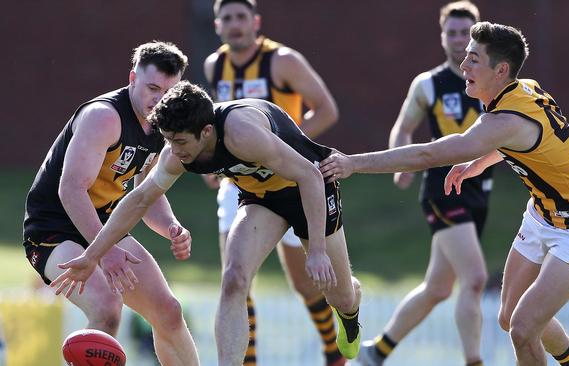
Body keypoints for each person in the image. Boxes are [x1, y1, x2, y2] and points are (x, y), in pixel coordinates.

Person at [320, 21, 569, 366]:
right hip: (542, 214)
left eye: (474, 59)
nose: (463, 66)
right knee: (508, 317)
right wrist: (479, 162)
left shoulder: (504, 120)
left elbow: (429, 154)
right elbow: (527, 141)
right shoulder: (524, 89)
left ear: (501, 70)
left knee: (522, 329)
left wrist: (352, 163)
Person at [50, 81, 363, 366]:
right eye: (169, 141)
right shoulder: (179, 151)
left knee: (340, 296)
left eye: (180, 141)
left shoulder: (241, 133)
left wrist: (318, 251)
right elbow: (140, 199)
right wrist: (93, 254)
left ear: (207, 132)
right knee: (234, 278)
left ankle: (349, 312)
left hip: (308, 189)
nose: (174, 151)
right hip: (260, 199)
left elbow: (309, 175)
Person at [23, 41, 200, 366]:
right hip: (53, 231)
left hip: (104, 226)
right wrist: (104, 250)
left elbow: (147, 194)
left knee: (169, 313)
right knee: (106, 308)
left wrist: (172, 227)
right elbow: (71, 190)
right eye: (151, 88)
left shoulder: (160, 123)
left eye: (168, 92)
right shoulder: (104, 118)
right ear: (132, 78)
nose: (159, 99)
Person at [202, 0, 343, 364]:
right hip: (240, 189)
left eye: (241, 17)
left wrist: (283, 149)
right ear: (217, 25)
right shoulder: (214, 65)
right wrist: (211, 163)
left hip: (293, 183)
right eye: (227, 19)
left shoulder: (283, 61)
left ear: (256, 21)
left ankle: (334, 352)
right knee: (235, 279)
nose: (234, 25)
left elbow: (326, 109)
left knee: (305, 284)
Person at [357, 2, 488, 365]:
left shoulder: (493, 81)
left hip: (480, 190)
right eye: (453, 32)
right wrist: (401, 161)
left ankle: (376, 351)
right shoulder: (429, 84)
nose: (460, 40)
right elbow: (403, 126)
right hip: (442, 189)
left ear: (478, 36)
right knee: (475, 279)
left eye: (467, 33)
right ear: (442, 36)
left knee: (438, 288)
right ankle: (474, 360)